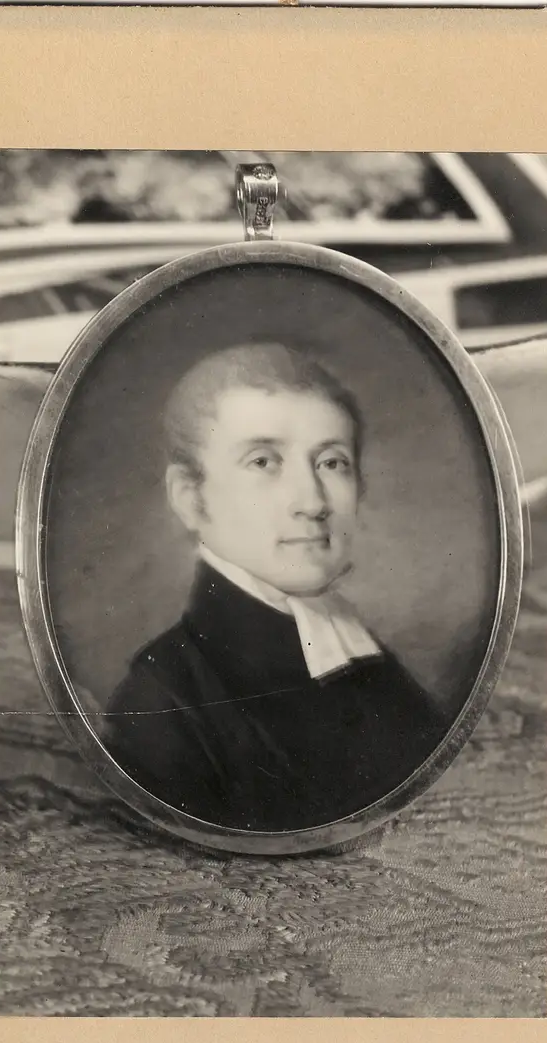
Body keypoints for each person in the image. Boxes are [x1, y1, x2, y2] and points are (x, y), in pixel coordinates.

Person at [101, 342, 448, 832]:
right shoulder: (160, 703)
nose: (313, 502)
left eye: (332, 462)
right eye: (263, 462)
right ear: (191, 498)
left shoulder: (357, 655)